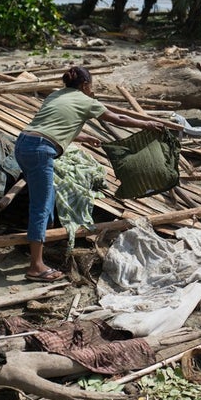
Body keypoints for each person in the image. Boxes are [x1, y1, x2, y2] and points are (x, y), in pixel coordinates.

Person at [14, 66, 163, 282]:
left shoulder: (56, 95)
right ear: (85, 85)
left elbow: (51, 126)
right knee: (40, 205)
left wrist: (81, 138)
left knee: (45, 200)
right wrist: (146, 123)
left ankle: (43, 245)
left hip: (23, 144)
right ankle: (36, 266)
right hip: (40, 151)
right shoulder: (87, 100)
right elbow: (118, 118)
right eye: (91, 86)